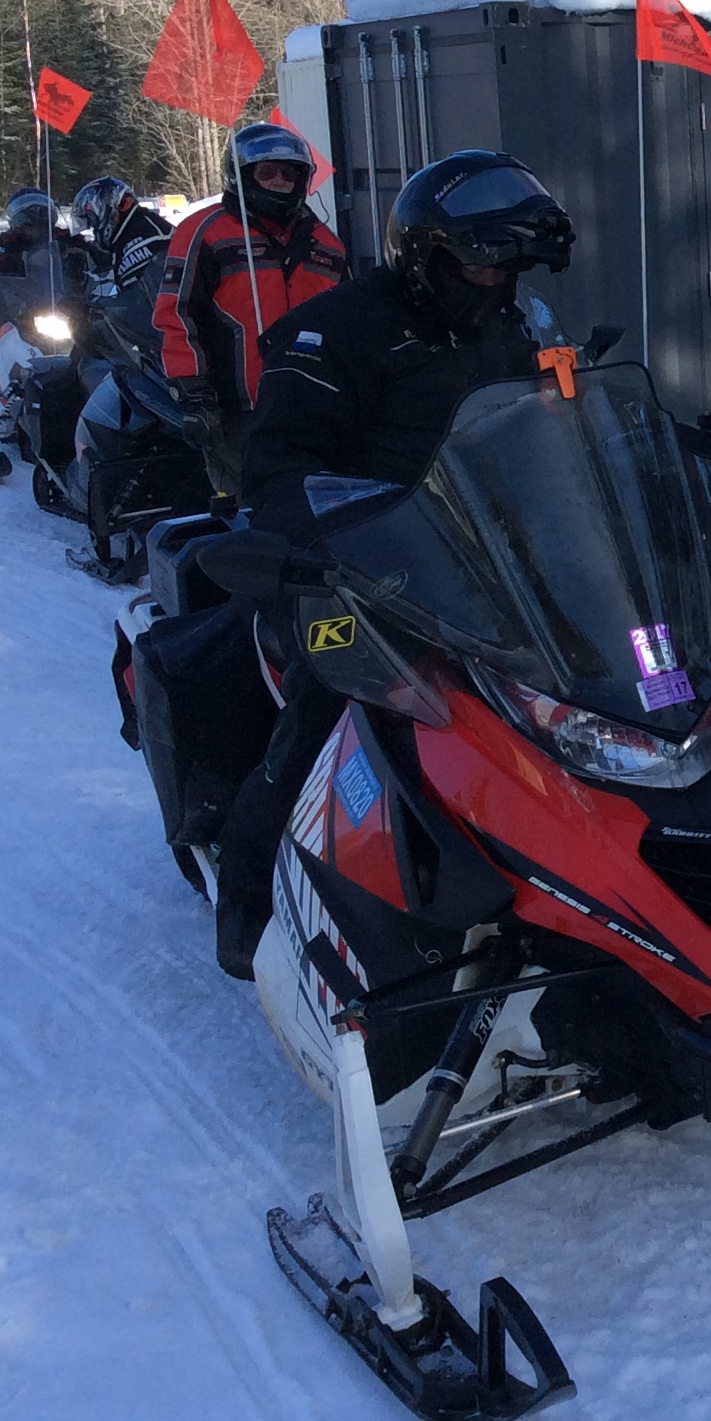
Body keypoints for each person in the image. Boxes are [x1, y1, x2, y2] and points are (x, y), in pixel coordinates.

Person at [209, 148, 573, 979]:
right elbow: (279, 467)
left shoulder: (518, 326)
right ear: (427, 255)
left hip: (494, 563)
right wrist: (321, 546)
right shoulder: (334, 332)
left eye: (509, 267)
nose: (496, 281)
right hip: (365, 571)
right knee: (332, 703)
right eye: (481, 264)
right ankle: (249, 888)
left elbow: (557, 427)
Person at [153, 122, 347, 494]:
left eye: (289, 173)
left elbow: (348, 322)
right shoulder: (205, 232)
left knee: (323, 504)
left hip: (314, 407)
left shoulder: (327, 245)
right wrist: (196, 396)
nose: (279, 181)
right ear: (241, 175)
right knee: (250, 508)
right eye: (266, 172)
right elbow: (177, 315)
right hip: (237, 411)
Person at [0, 188, 89, 479]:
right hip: (17, 310)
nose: (35, 220)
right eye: (29, 214)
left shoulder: (64, 239)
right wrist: (7, 256)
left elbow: (91, 257)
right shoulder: (7, 242)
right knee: (4, 344)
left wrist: (89, 261)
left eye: (40, 212)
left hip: (62, 308)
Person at [70, 176, 175, 375]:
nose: (93, 229)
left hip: (167, 343)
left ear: (109, 211)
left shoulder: (149, 237)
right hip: (160, 340)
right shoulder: (130, 234)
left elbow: (141, 300)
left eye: (93, 222)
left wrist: (99, 308)